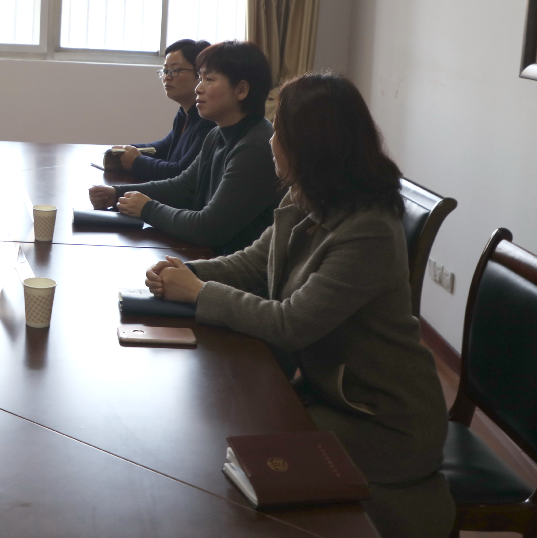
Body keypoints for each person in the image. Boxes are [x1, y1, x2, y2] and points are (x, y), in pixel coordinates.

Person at [142, 73, 454, 538]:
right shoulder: (309, 195)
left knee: (238, 445)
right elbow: (255, 262)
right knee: (232, 427)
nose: (271, 140)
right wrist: (188, 273)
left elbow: (291, 324)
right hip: (327, 391)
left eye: (280, 132)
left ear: (310, 145)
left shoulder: (368, 229)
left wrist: (199, 293)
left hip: (382, 420)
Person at [89, 40, 282, 255]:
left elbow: (209, 228)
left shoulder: (255, 146)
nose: (198, 88)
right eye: (200, 78)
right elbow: (183, 187)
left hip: (235, 267)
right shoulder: (218, 134)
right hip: (211, 257)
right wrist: (117, 193)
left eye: (209, 79)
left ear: (241, 90)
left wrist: (147, 209)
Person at [107, 39, 213, 181]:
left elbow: (180, 173)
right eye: (165, 71)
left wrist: (137, 161)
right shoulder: (184, 113)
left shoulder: (209, 120)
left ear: (200, 74)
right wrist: (127, 149)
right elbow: (164, 148)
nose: (167, 77)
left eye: (175, 70)